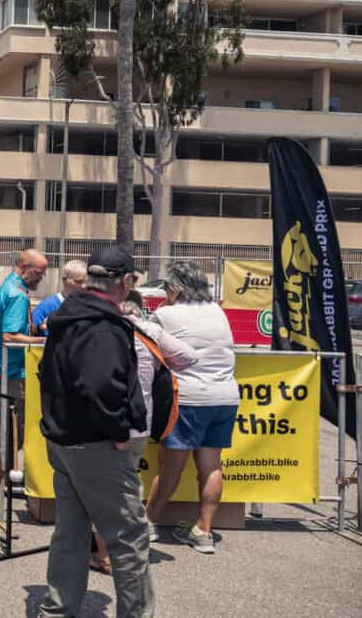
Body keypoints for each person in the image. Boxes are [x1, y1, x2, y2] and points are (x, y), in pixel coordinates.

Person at [37, 248, 153, 618]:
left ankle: (57, 609)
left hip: (63, 440)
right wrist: (119, 431)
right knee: (129, 538)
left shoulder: (66, 316)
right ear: (125, 282)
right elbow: (101, 386)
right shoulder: (103, 325)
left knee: (70, 534)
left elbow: (51, 377)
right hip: (95, 444)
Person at [90, 290, 199, 574]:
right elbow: (188, 357)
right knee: (127, 489)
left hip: (107, 423)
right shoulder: (149, 330)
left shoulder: (102, 328)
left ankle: (105, 555)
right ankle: (129, 549)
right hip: (141, 423)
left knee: (106, 491)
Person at [145, 260, 238, 555]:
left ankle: (147, 524)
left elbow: (146, 345)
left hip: (188, 397)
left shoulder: (165, 313)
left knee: (171, 467)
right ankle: (204, 531)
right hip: (225, 395)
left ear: (174, 289)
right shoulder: (217, 310)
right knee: (211, 465)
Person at [0, 248, 48, 447]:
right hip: (12, 370)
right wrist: (43, 342)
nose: (41, 278)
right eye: (38, 273)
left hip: (5, 365)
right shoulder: (18, 295)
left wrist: (36, 328)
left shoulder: (9, 285)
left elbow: (13, 327)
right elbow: (10, 335)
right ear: (24, 267)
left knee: (2, 419)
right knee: (13, 428)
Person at [31, 259, 88, 334]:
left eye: (87, 282)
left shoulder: (89, 307)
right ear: (64, 280)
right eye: (78, 282)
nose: (84, 286)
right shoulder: (46, 307)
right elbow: (31, 334)